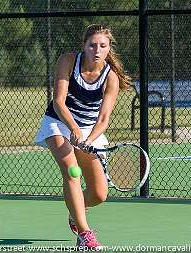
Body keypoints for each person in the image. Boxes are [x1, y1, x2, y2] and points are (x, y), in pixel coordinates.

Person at [35, 24, 131, 249]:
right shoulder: (68, 61)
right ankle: (84, 232)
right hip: (58, 123)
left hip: (89, 130)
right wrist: (75, 132)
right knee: (71, 170)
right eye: (92, 45)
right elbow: (59, 102)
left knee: (99, 194)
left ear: (109, 49)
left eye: (102, 46)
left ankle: (75, 213)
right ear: (84, 46)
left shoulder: (111, 78)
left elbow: (103, 119)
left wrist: (88, 139)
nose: (97, 50)